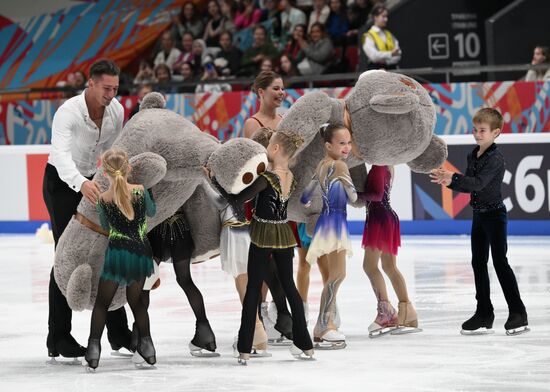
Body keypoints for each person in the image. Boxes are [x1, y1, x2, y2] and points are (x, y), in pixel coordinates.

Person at [43, 59, 131, 361]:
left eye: (116, 89)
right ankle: (58, 337)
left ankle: (119, 333)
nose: (111, 94)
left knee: (109, 249)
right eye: (106, 88)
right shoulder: (68, 112)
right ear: (90, 83)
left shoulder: (116, 111)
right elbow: (60, 154)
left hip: (94, 181)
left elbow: (114, 150)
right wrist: (80, 183)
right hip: (62, 182)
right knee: (65, 253)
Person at [430, 108, 529, 336]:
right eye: (475, 130)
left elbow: (479, 184)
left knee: (500, 262)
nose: (477, 134)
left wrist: (452, 178)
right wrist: (449, 182)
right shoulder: (472, 154)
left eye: (482, 130)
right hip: (479, 215)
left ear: (496, 133)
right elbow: (468, 184)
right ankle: (484, 312)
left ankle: (518, 312)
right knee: (478, 263)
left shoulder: (496, 158)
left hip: (495, 215)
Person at [224, 130, 314, 363]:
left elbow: (237, 199)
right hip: (283, 233)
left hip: (263, 233)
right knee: (289, 287)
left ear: (274, 149)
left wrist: (217, 181)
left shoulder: (267, 178)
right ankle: (305, 345)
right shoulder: (290, 176)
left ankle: (244, 347)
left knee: (254, 288)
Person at [84, 148, 157, 370]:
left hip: (117, 253)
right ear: (129, 168)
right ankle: (148, 348)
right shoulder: (140, 191)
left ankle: (93, 350)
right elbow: (152, 212)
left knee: (102, 304)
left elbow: (106, 227)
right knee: (136, 302)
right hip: (141, 251)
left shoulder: (103, 200)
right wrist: (149, 194)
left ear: (104, 173)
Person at [301, 122, 357, 349]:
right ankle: (324, 325)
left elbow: (305, 197)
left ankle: (326, 323)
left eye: (349, 143)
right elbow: (353, 198)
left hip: (325, 221)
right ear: (328, 145)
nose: (347, 148)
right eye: (341, 143)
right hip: (336, 223)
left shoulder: (321, 165)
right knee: (338, 275)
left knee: (335, 275)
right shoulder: (340, 167)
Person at [143, 206, 219, 357]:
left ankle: (140, 338)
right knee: (185, 280)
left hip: (158, 229)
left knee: (146, 282)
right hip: (180, 227)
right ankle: (206, 334)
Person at [360, 165, 420, 337]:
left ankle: (386, 311)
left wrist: (352, 194)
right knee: (389, 267)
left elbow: (377, 195)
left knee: (370, 266)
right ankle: (407, 310)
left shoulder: (379, 166)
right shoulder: (386, 164)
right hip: (386, 218)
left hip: (379, 219)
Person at [243, 71, 285, 138]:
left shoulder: (284, 120)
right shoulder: (252, 123)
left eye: (282, 89)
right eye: (276, 89)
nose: (281, 92)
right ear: (261, 92)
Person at [360, 4, 401, 70]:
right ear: (375, 17)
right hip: (376, 71)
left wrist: (386, 61)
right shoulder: (368, 36)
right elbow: (374, 56)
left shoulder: (389, 34)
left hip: (392, 70)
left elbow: (398, 54)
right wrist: (390, 54)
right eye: (383, 16)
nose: (386, 19)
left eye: (386, 16)